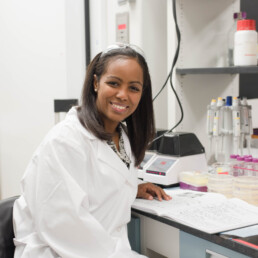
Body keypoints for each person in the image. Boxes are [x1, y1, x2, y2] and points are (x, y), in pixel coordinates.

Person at [13, 43, 171, 258]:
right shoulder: (65, 140)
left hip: (104, 248)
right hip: (63, 251)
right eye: (114, 83)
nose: (123, 95)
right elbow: (63, 226)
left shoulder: (122, 135)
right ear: (96, 83)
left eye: (134, 88)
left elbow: (95, 183)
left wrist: (130, 188)